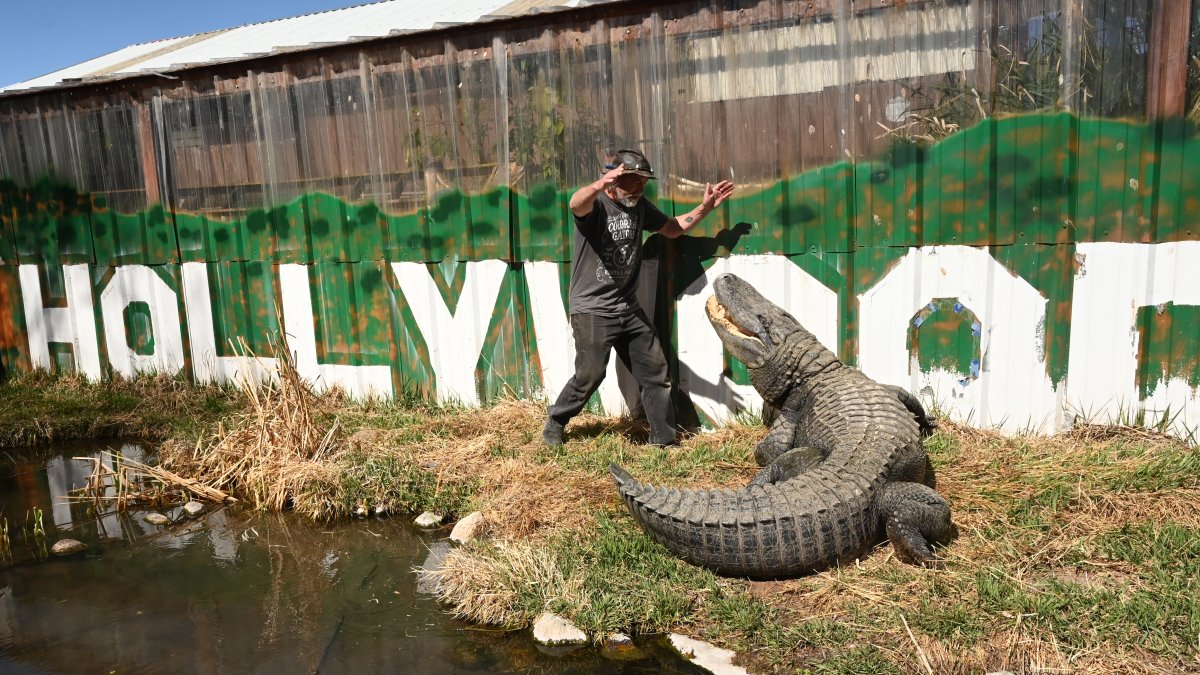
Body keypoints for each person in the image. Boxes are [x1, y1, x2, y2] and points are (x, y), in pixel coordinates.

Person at [542, 148, 736, 447]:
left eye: (645, 183)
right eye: (636, 181)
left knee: (655, 373)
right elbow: (575, 204)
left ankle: (663, 441)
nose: (641, 188)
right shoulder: (597, 206)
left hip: (628, 309)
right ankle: (556, 420)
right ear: (618, 179)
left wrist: (705, 209)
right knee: (590, 375)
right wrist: (598, 185)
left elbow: (672, 228)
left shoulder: (640, 206)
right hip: (593, 309)